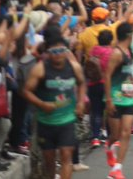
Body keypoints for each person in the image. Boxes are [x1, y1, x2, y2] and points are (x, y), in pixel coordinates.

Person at [23, 34, 86, 179]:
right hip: (46, 122)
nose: (58, 55)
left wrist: (81, 102)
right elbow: (26, 91)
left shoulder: (74, 67)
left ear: (67, 50)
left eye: (61, 51)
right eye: (54, 52)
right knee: (49, 162)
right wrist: (42, 104)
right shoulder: (40, 69)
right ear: (47, 52)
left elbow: (82, 83)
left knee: (66, 156)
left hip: (67, 121)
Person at [104, 23, 133, 179]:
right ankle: (109, 145)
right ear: (128, 35)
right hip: (115, 98)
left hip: (127, 98)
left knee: (126, 133)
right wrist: (109, 100)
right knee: (116, 135)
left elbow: (129, 76)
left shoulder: (129, 52)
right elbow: (106, 76)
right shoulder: (116, 54)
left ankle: (117, 168)